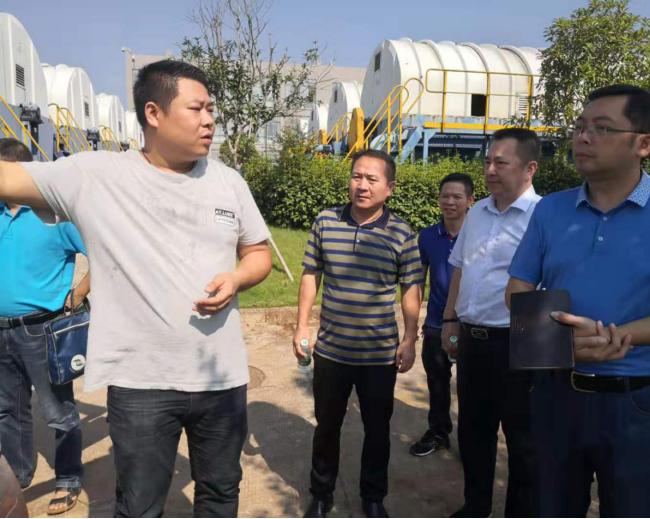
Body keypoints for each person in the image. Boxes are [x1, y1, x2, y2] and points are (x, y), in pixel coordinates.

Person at [0, 61, 273, 518]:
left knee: (221, 493)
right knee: (140, 505)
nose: (210, 120)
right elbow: (8, 178)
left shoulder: (228, 181)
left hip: (221, 378)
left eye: (211, 109)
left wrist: (237, 277)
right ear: (153, 113)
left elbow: (259, 253)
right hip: (141, 385)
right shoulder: (94, 176)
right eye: (197, 109)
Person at [506, 85, 650, 518]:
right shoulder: (551, 210)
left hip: (638, 400)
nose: (583, 137)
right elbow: (517, 288)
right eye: (579, 127)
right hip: (557, 391)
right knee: (552, 506)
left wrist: (618, 336)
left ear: (643, 144)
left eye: (602, 128)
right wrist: (558, 341)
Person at [294, 149, 423, 519]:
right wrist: (301, 325)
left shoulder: (402, 233)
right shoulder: (326, 221)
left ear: (389, 188)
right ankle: (321, 495)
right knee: (326, 427)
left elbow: (411, 288)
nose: (362, 185)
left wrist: (409, 338)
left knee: (377, 430)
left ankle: (373, 497)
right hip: (331, 352)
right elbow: (311, 275)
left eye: (371, 179)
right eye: (356, 176)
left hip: (379, 355)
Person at [442, 129, 543, 518]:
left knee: (523, 441)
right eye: (487, 161)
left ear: (529, 168)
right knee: (473, 433)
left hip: (520, 344)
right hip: (473, 342)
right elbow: (459, 269)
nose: (490, 170)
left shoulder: (543, 217)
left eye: (501, 163)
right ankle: (476, 507)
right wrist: (450, 319)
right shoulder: (478, 213)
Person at [0, 139, 90, 515]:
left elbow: (103, 253)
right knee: (7, 409)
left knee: (58, 410)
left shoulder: (54, 215)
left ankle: (68, 478)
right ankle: (17, 478)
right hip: (1, 331)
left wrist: (79, 291)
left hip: (43, 331)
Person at [410, 173, 475, 457]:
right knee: (437, 383)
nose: (450, 202)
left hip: (472, 324)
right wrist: (414, 325)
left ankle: (472, 441)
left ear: (470, 200)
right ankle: (438, 433)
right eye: (445, 196)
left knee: (472, 387)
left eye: (457, 197)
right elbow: (417, 283)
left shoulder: (479, 235)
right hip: (436, 323)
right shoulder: (427, 236)